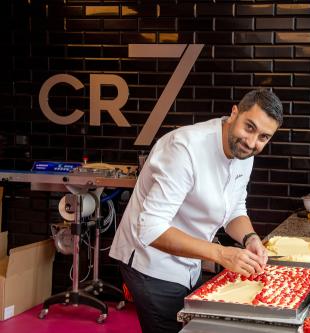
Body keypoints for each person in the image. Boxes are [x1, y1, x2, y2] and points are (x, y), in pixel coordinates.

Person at [109, 89, 283, 333]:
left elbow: (234, 207)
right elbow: (150, 229)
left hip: (190, 261)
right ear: (234, 113)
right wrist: (222, 254)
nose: (253, 143)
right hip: (151, 263)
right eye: (249, 127)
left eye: (264, 137)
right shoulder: (184, 148)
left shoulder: (245, 153)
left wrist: (250, 238)